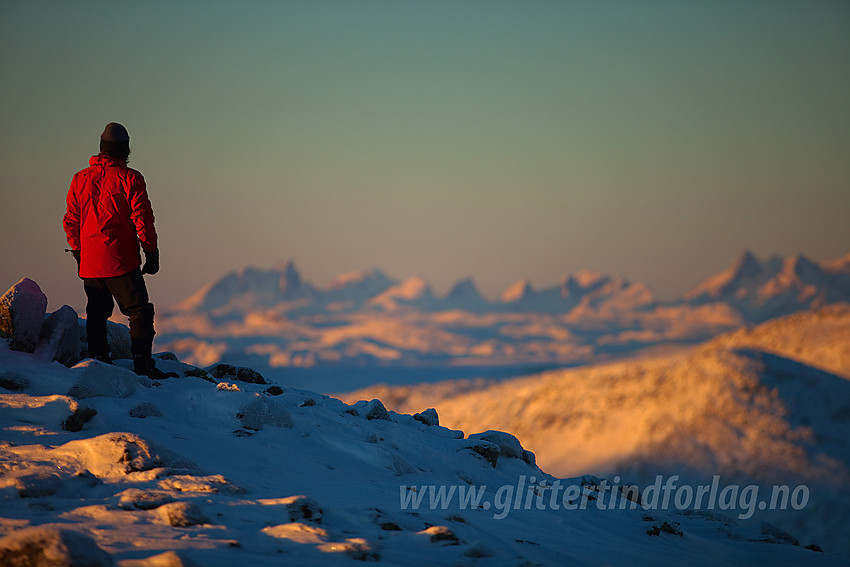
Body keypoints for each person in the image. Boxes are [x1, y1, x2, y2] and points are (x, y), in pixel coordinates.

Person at [63, 122, 172, 379]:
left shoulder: (80, 178)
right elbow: (142, 218)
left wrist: (79, 251)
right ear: (125, 150)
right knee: (139, 310)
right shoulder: (131, 178)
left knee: (97, 311)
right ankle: (143, 364)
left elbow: (71, 219)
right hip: (119, 260)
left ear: (102, 149)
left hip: (89, 260)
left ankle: (99, 361)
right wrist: (151, 252)